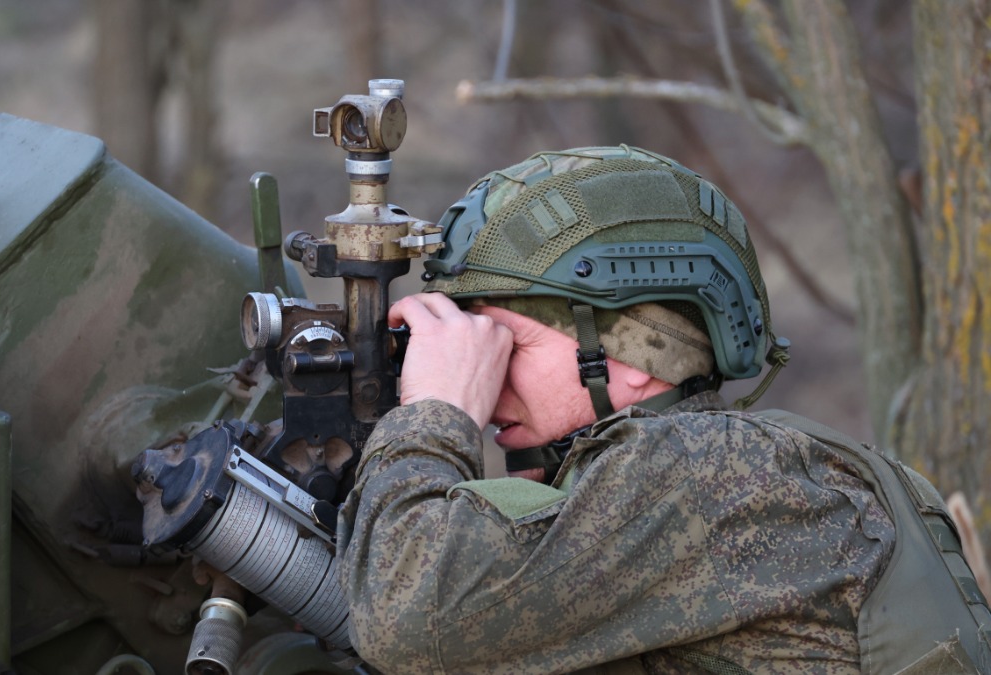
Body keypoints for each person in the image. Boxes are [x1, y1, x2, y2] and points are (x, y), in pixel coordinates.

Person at [336, 146, 991, 674]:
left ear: (637, 353)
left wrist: (433, 409)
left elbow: (407, 616)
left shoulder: (706, 471)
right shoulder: (751, 471)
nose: (487, 378)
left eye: (508, 340)